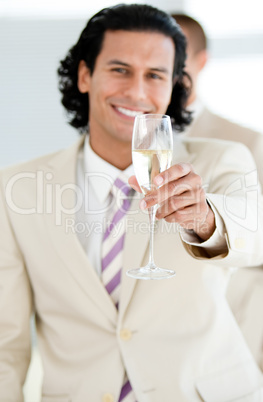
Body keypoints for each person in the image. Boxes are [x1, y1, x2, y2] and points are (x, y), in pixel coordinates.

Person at [0, 4, 263, 401]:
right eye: (120, 70)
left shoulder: (222, 159)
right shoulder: (17, 188)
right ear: (85, 75)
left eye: (155, 75)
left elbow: (253, 239)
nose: (137, 92)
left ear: (174, 86)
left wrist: (207, 220)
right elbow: (6, 340)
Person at [172, 13, 263, 371]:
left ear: (201, 61)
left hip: (232, 337)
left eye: (176, 59)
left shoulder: (248, 142)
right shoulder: (124, 144)